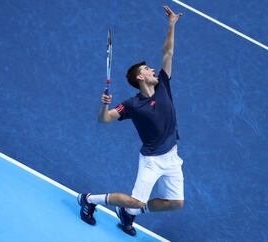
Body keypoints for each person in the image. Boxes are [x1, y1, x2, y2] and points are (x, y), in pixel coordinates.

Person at [78, 5, 184, 236]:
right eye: (148, 69)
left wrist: (171, 25)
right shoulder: (132, 104)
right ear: (140, 77)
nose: (154, 69)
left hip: (172, 156)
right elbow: (104, 119)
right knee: (135, 199)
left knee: (175, 203)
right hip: (152, 160)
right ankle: (88, 199)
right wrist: (104, 103)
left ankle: (128, 214)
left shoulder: (164, 84)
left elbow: (168, 53)